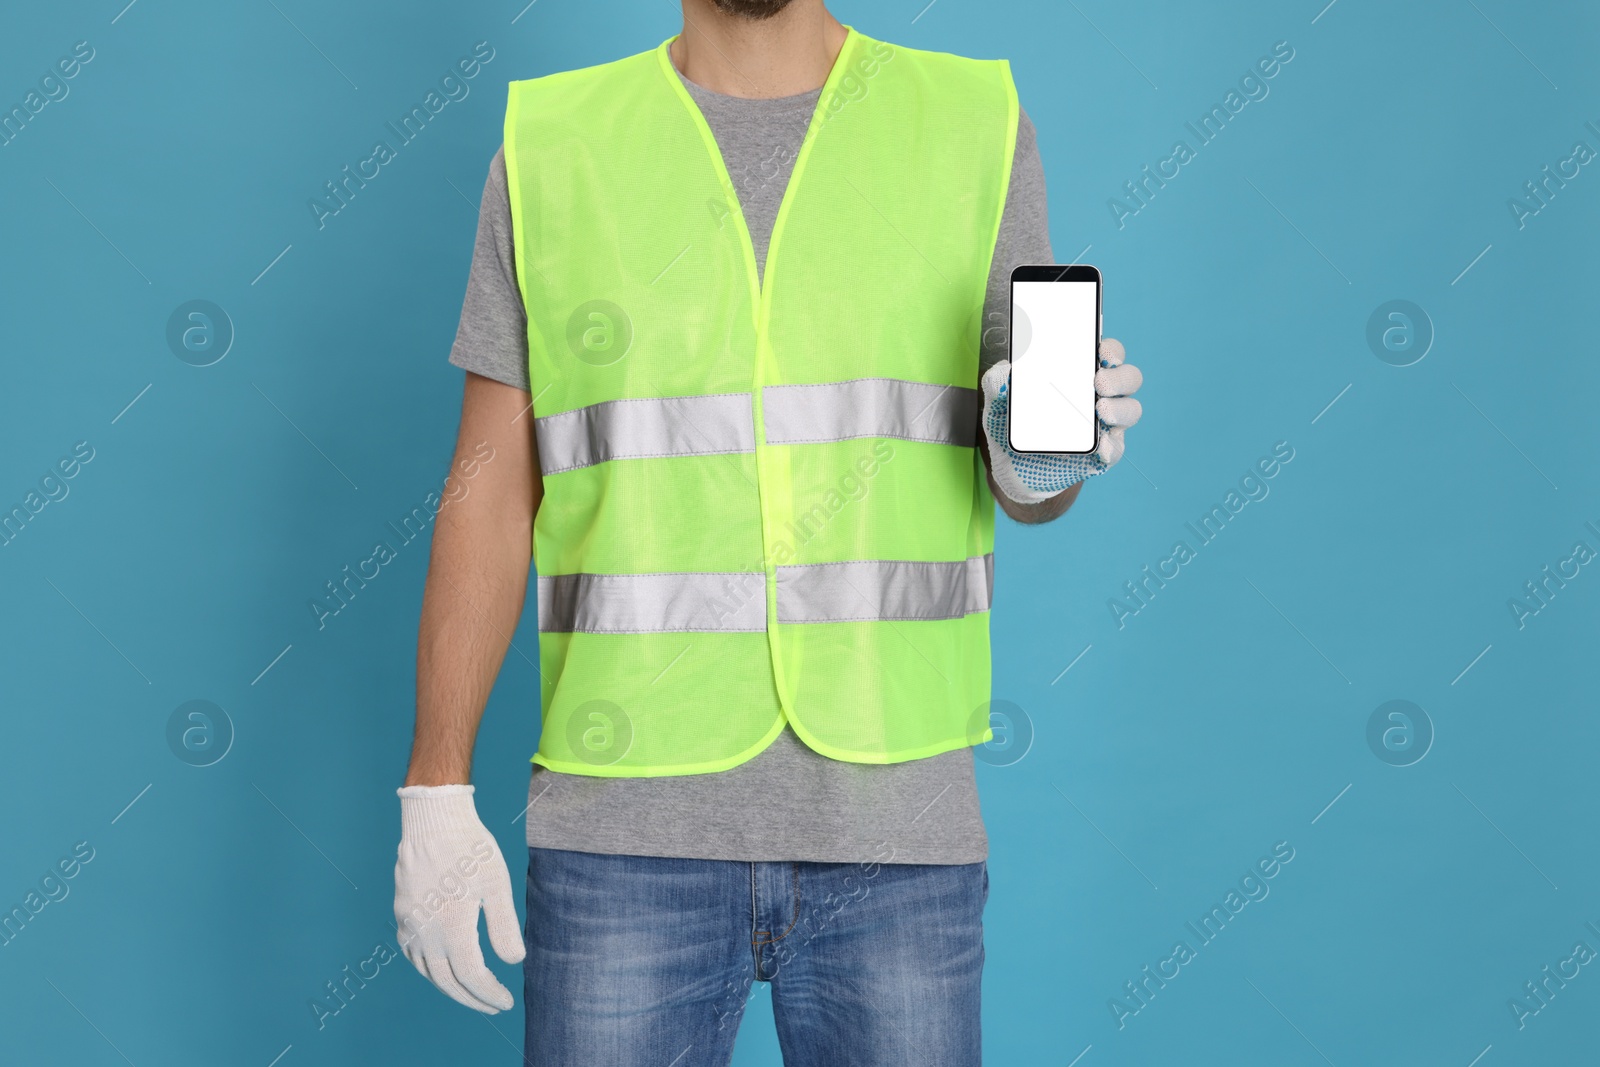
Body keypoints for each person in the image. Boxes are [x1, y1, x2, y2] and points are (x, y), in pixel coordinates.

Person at [392, 0, 1144, 1063]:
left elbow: (1025, 474)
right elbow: (487, 487)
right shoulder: (555, 142)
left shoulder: (969, 117)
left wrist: (1038, 458)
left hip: (895, 836)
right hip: (622, 835)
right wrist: (435, 783)